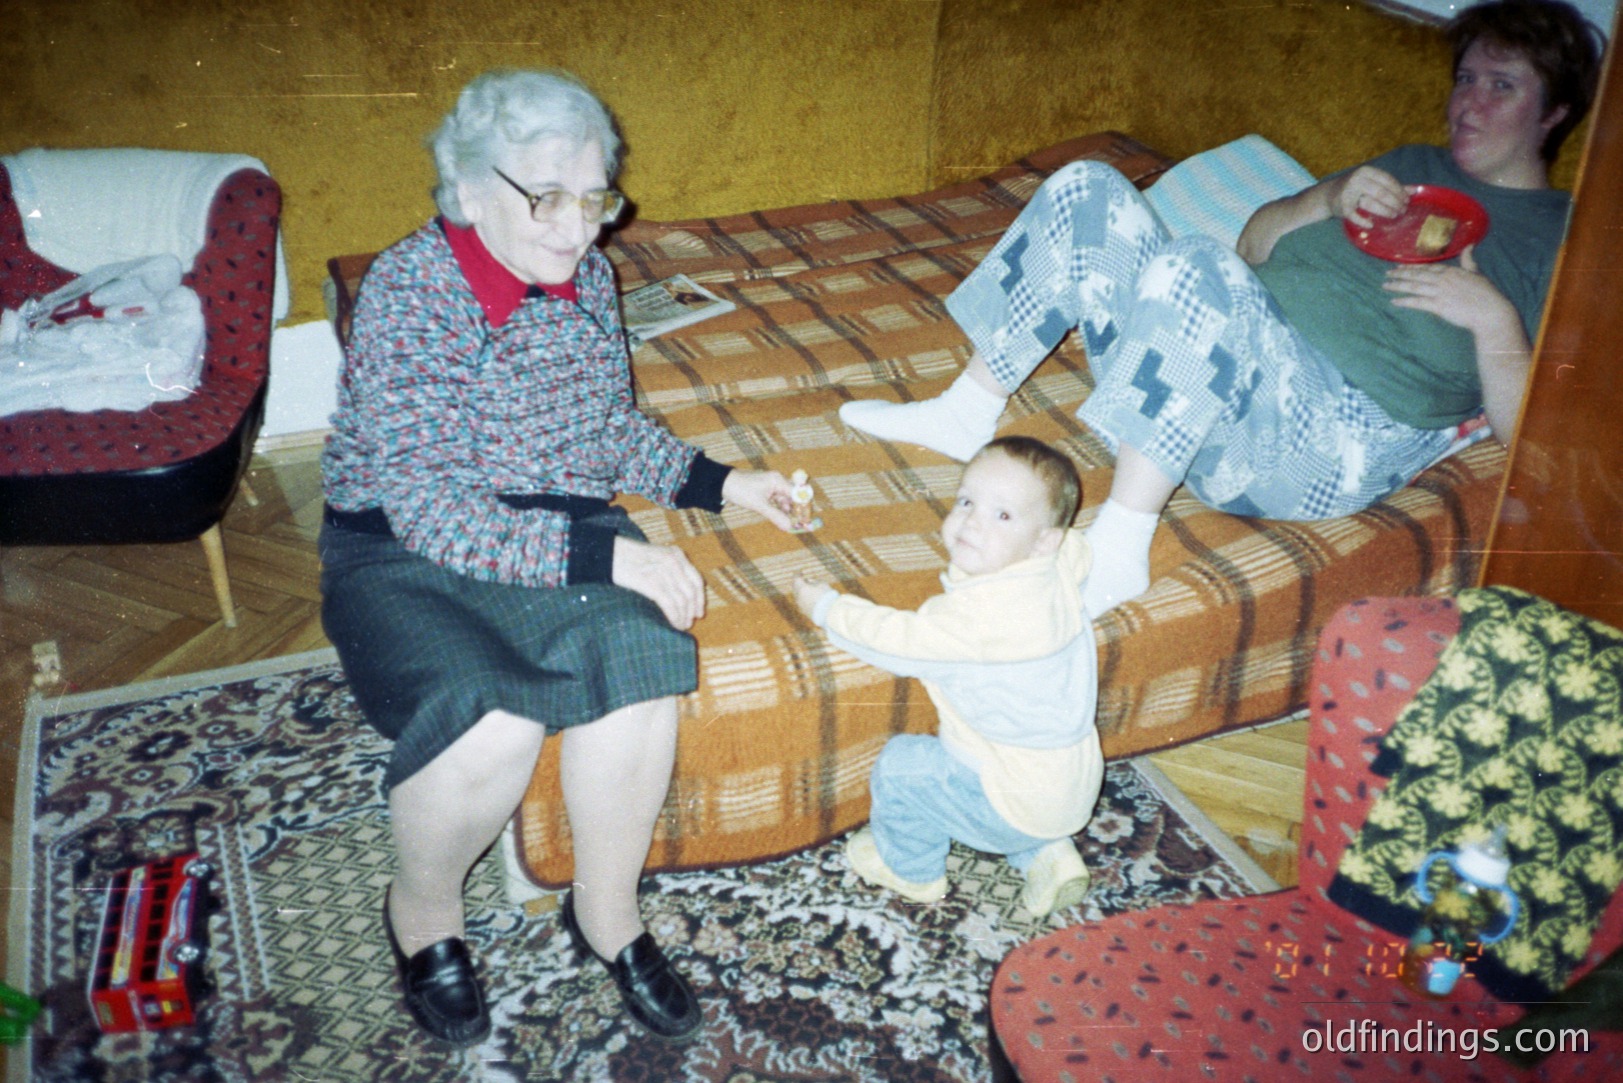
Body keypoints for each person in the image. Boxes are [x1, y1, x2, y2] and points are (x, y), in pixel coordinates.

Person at [838, 0, 1605, 618]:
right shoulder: (1408, 165)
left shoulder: (1567, 237)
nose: (1468, 102)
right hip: (1215, 372)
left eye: (1500, 85)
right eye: (1464, 78)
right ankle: (968, 407)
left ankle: (1119, 543)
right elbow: (1253, 245)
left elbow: (1538, 436)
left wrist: (1492, 319)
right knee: (1089, 188)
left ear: (1553, 113)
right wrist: (1328, 196)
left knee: (1192, 264)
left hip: (1325, 438)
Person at [319, 69, 796, 1045]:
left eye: (593, 199)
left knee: (639, 668)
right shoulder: (411, 291)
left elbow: (608, 431)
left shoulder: (586, 274)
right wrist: (606, 557)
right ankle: (424, 912)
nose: (577, 226)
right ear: (467, 184)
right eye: (545, 196)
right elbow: (428, 510)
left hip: (559, 532)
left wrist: (720, 483)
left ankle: (606, 913)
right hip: (403, 549)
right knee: (492, 721)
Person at [792, 437, 1101, 916]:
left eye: (1002, 516)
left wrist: (827, 608)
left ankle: (911, 871)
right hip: (1066, 789)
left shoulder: (976, 621)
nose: (972, 521)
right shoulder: (1058, 568)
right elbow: (1079, 549)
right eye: (966, 501)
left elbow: (894, 640)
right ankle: (1047, 855)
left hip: (1005, 797)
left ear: (1043, 541)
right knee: (1014, 791)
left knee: (903, 766)